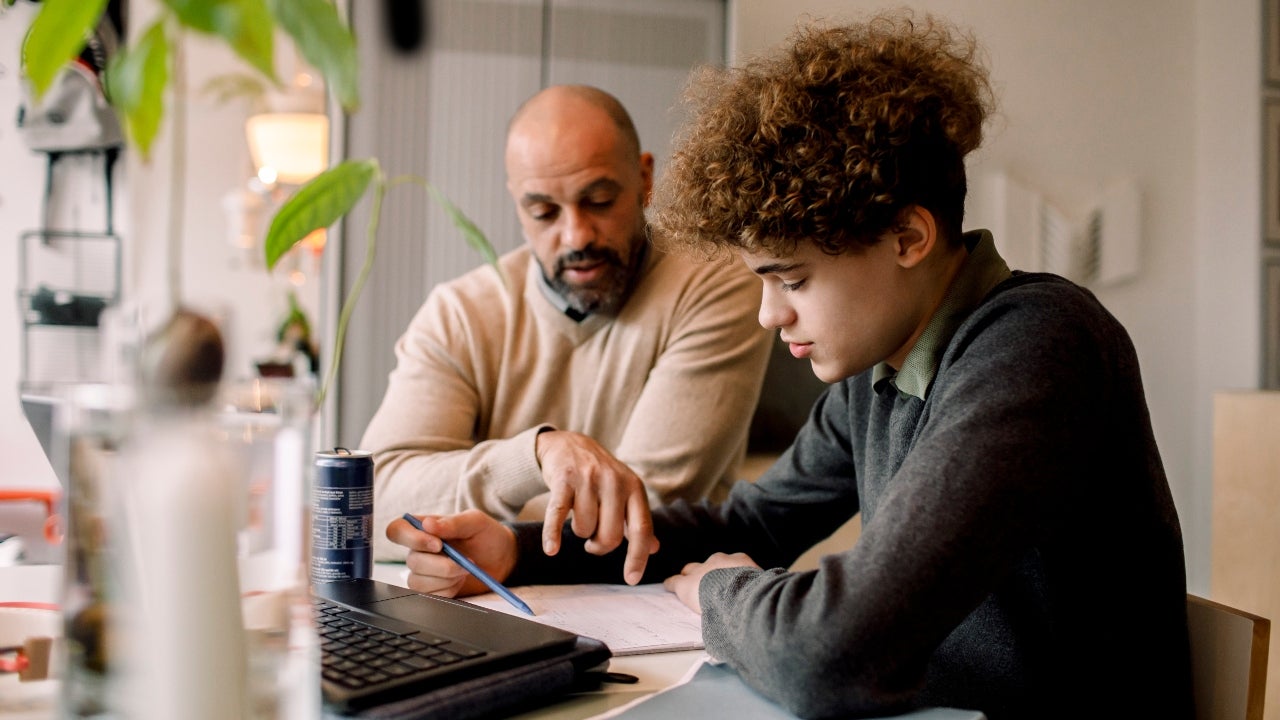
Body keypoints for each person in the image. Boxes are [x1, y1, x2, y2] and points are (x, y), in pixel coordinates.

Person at [386, 12, 1192, 719]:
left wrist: (716, 594)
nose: (772, 315)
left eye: (793, 280)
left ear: (908, 238)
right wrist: (518, 550)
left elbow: (828, 653)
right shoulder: (880, 369)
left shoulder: (1038, 347)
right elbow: (751, 526)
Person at [363, 84, 773, 562]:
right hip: (489, 602)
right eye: (544, 212)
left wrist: (473, 529)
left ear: (645, 179)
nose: (576, 234)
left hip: (656, 604)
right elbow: (370, 506)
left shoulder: (715, 282)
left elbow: (643, 510)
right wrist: (533, 457)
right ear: (518, 203)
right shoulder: (459, 314)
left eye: (599, 200)